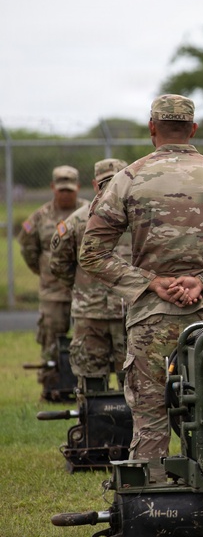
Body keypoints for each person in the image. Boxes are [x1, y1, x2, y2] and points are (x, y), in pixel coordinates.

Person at [79, 96, 203, 537]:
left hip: (151, 320)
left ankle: (151, 523)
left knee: (150, 421)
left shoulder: (128, 178)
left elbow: (92, 252)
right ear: (194, 130)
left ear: (151, 128)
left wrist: (150, 282)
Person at [50, 158, 130, 392]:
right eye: (106, 183)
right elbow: (58, 263)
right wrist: (81, 287)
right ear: (95, 185)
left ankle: (131, 428)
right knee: (91, 378)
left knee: (133, 380)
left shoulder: (139, 218)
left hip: (127, 314)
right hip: (93, 314)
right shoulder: (75, 221)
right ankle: (95, 427)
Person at [18, 164, 88, 399]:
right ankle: (50, 388)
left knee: (86, 340)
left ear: (78, 188)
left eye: (70, 189)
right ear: (52, 188)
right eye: (61, 189)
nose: (66, 193)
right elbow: (28, 249)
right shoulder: (39, 217)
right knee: (51, 340)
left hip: (84, 291)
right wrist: (45, 273)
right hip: (53, 292)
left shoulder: (89, 211)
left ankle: (85, 386)